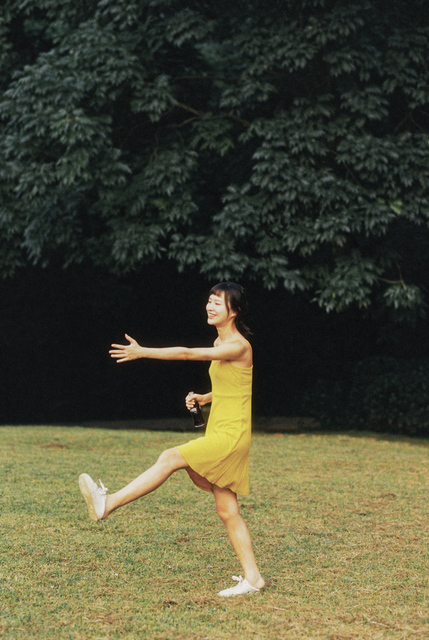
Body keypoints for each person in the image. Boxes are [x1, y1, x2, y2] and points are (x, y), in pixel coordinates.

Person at [78, 282, 265, 597]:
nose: (209, 306)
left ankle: (107, 504)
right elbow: (235, 385)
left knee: (170, 456)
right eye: (209, 300)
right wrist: (205, 398)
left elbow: (188, 353)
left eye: (217, 302)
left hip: (231, 435)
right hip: (220, 428)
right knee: (227, 510)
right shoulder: (221, 342)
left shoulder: (239, 345)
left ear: (234, 310)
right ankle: (254, 578)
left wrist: (142, 352)